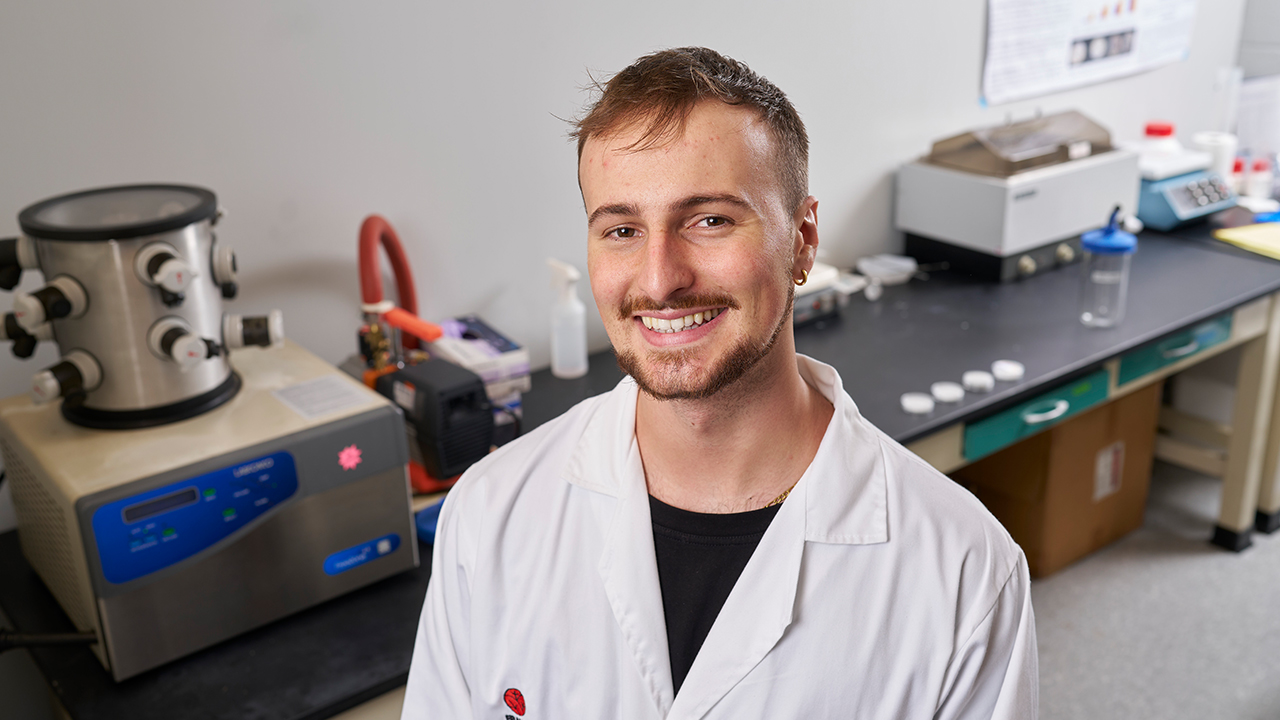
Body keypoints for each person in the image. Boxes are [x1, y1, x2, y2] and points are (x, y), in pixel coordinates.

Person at [402, 47, 1037, 720]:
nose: (658, 279)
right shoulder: (491, 516)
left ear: (802, 238)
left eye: (709, 220)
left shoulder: (965, 572)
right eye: (621, 229)